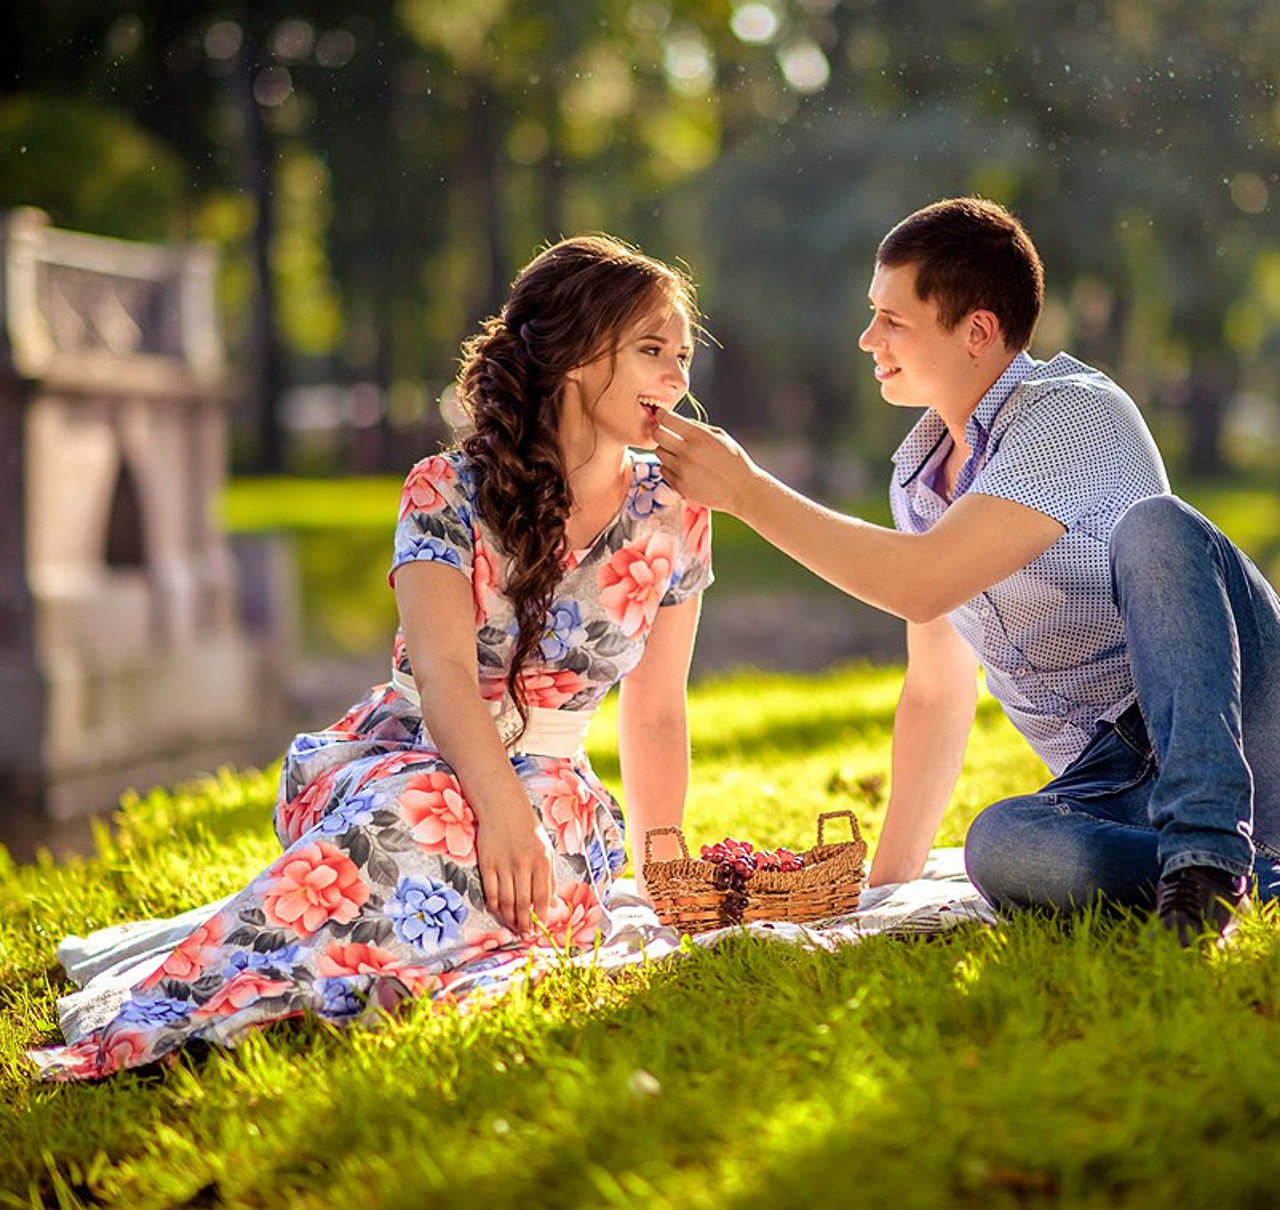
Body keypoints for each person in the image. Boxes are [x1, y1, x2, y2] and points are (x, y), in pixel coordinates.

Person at [32, 234, 713, 1080]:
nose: (678, 381)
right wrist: (499, 814)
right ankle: (234, 1001)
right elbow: (444, 678)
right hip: (415, 753)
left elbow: (658, 709)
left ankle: (354, 979)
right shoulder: (443, 489)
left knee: (501, 866)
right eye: (653, 351)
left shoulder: (677, 512)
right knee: (415, 817)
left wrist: (669, 871)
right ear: (575, 352)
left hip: (556, 791)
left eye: (682, 356)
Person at [654, 196, 1280, 946]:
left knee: (1160, 526)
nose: (867, 338)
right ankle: (1226, 874)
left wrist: (747, 493)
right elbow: (936, 692)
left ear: (977, 331)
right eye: (871, 314)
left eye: (893, 320)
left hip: (1239, 726)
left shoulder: (1074, 414)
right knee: (1000, 844)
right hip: (1115, 782)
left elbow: (923, 579)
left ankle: (1209, 851)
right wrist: (883, 888)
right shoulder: (920, 480)